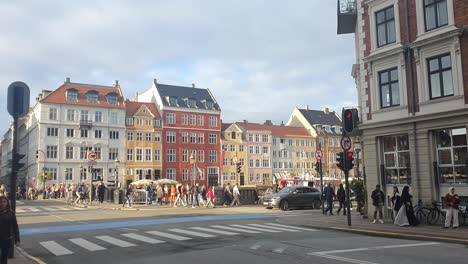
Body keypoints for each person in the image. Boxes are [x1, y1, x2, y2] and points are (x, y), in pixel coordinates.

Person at [0, 196, 20, 264]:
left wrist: (17, 240)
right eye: (1, 202)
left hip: (6, 239)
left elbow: (15, 227)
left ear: (7, 203)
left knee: (4, 257)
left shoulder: (11, 213)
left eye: (4, 202)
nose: (2, 203)